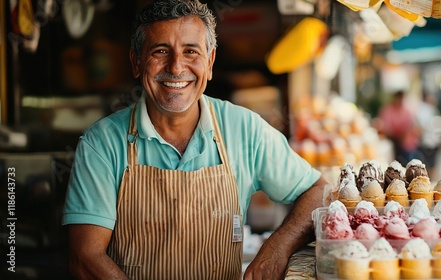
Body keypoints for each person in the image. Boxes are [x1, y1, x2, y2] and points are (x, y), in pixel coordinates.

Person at [61, 1, 327, 279]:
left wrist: (277, 248)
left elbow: (317, 191)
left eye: (191, 51)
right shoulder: (102, 142)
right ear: (136, 62)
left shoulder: (243, 128)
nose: (176, 67)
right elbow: (85, 258)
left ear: (210, 62)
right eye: (160, 51)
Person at [375, 90, 420, 166]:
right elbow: (384, 125)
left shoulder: (407, 111)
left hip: (405, 143)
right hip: (392, 140)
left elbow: (411, 125)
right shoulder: (388, 109)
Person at [416, 93, 441, 180]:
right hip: (426, 142)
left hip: (431, 141)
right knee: (428, 164)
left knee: (431, 163)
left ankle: (430, 179)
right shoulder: (424, 110)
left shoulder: (430, 109)